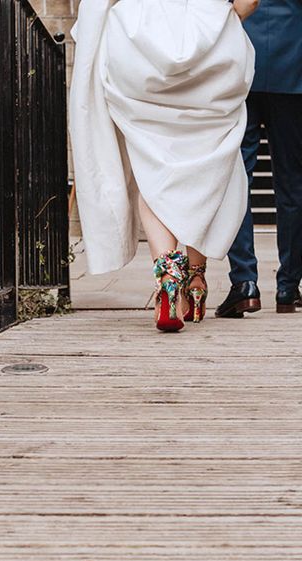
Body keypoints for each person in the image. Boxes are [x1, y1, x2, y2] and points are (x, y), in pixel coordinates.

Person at [69, 0, 258, 331]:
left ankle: (168, 273)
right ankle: (196, 280)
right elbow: (248, 1)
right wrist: (221, 20)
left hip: (139, 44)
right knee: (208, 165)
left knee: (153, 167)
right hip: (210, 39)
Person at [215, 0, 302, 317]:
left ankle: (244, 284)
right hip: (293, 62)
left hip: (242, 65)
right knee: (292, 182)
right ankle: (288, 286)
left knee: (237, 178)